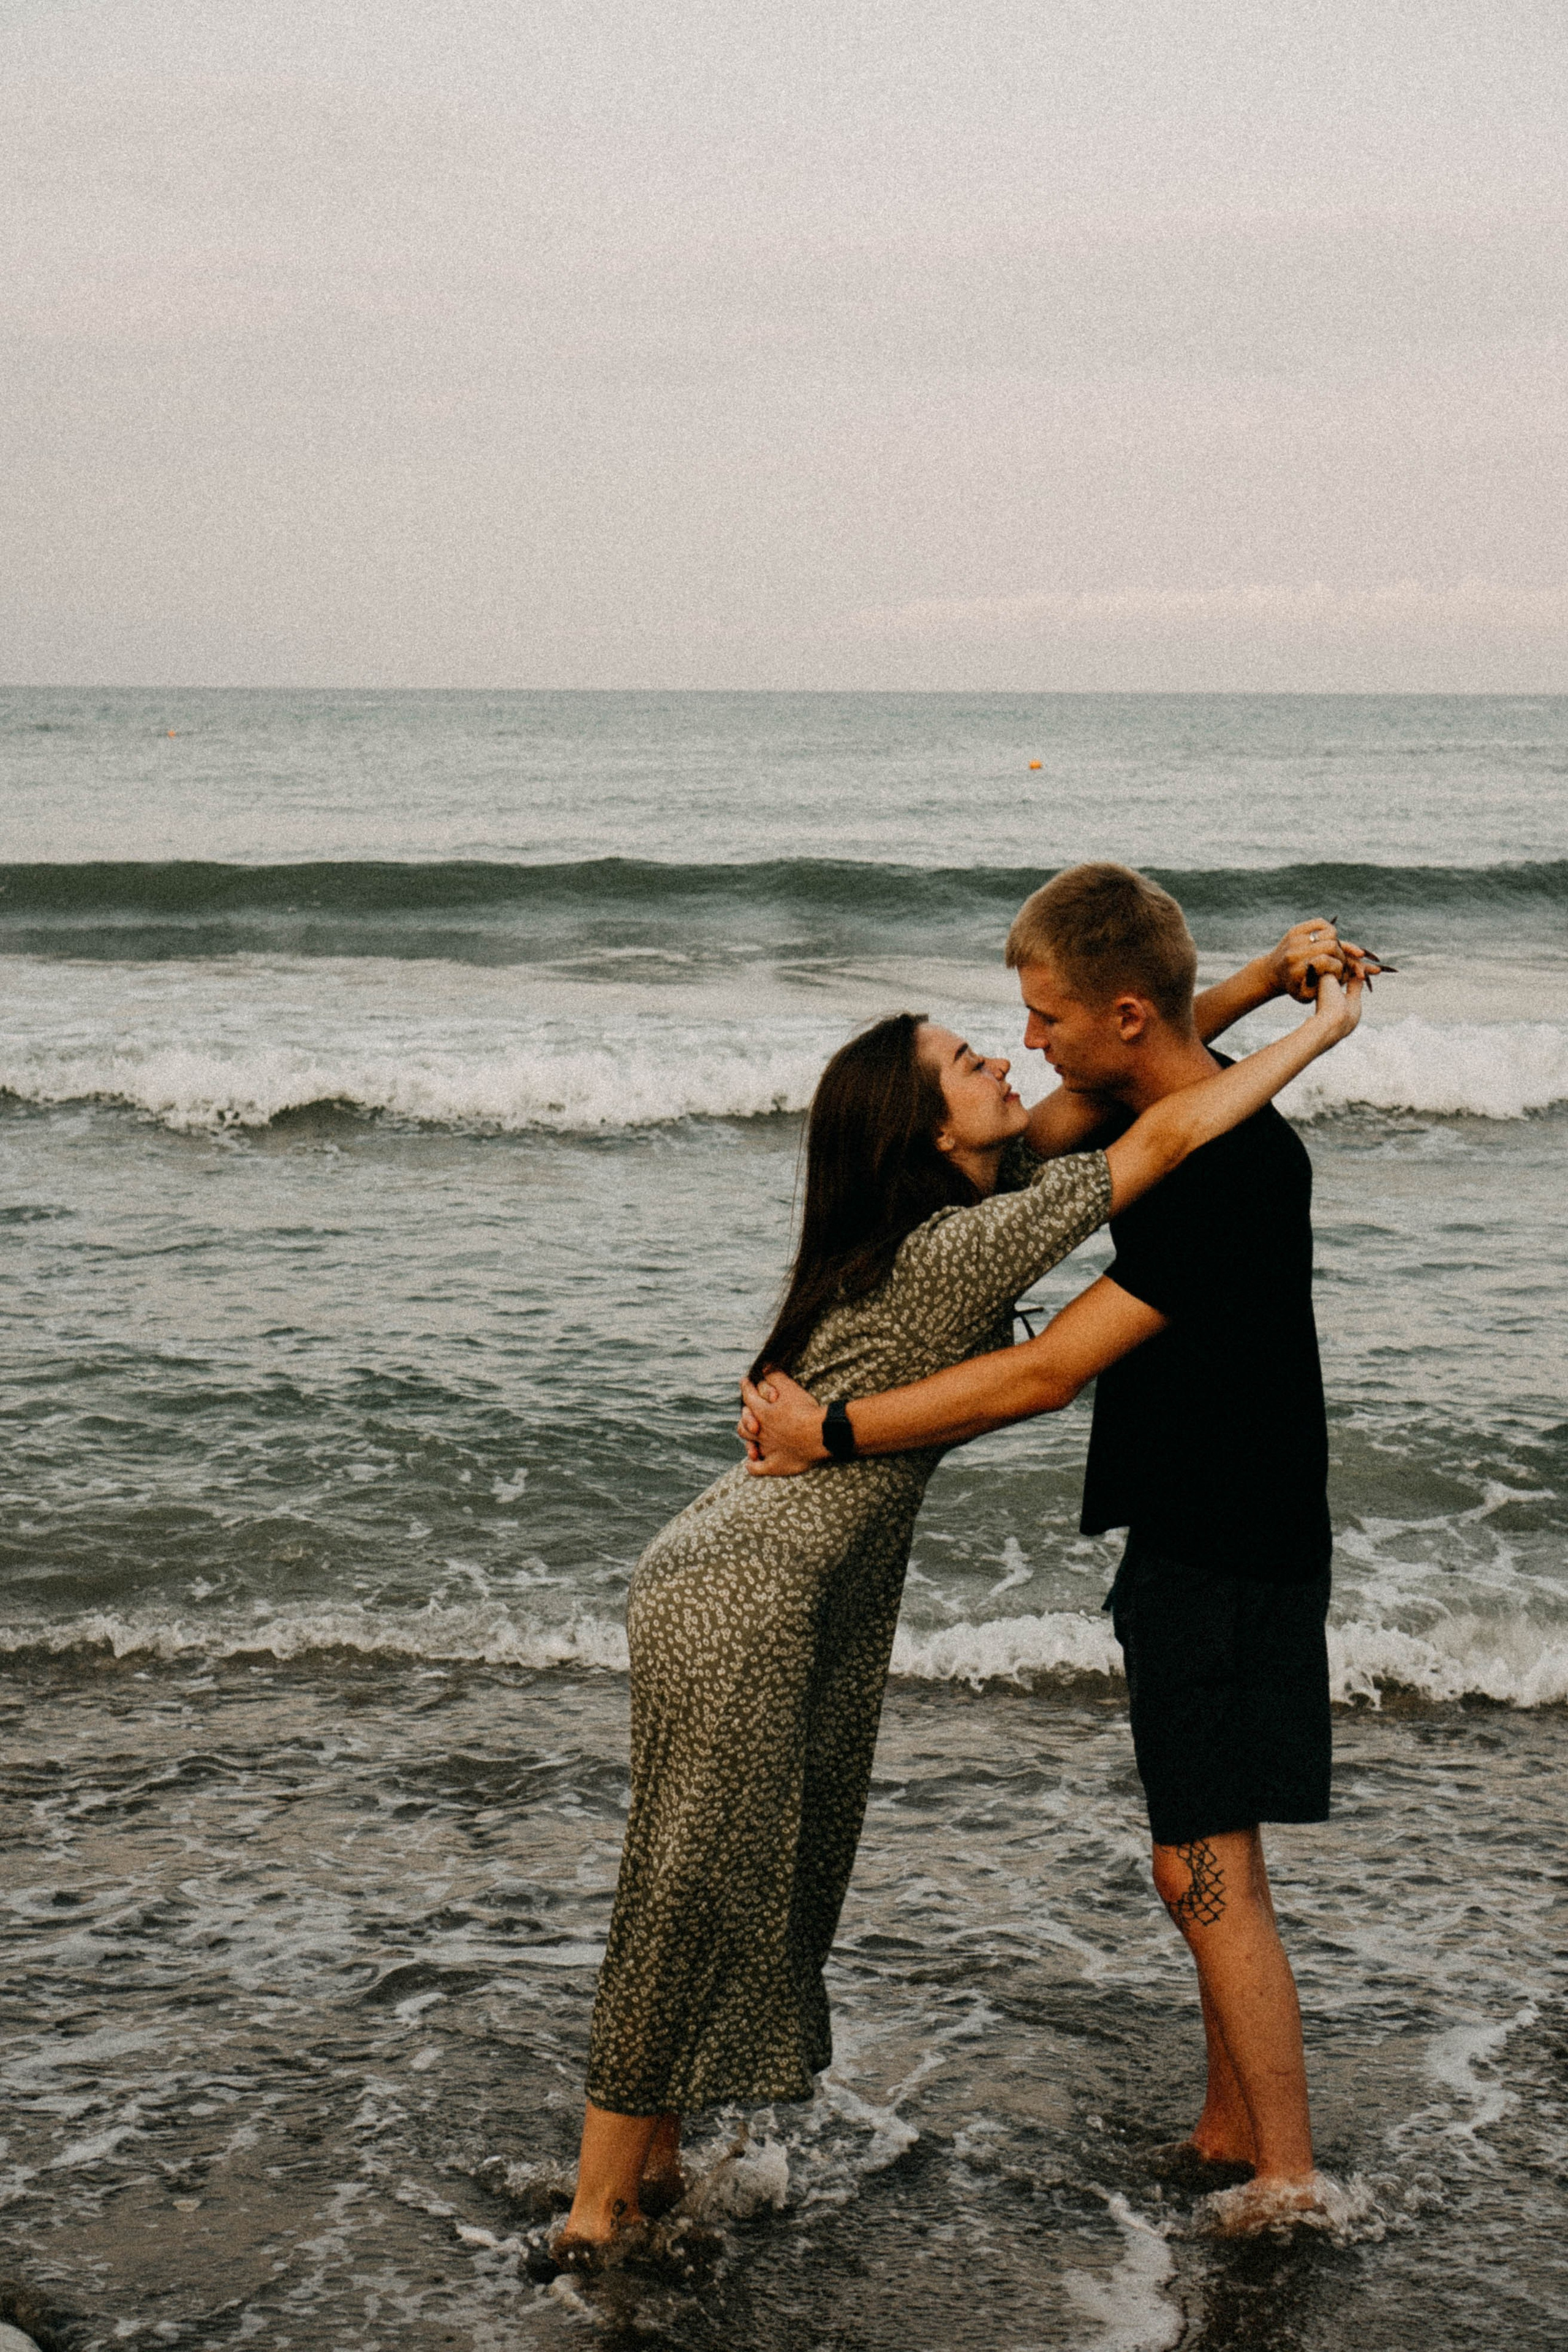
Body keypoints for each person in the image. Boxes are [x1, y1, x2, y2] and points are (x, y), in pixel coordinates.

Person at [536, 913, 1363, 2275]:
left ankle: (655, 2163)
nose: (1018, 1057)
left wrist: (1264, 985)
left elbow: (1123, 1067)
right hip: (745, 1587)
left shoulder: (960, 1208)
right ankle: (594, 2209)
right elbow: (1139, 1117)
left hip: (784, 1580)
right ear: (926, 1133)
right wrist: (1314, 1028)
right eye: (981, 1055)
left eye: (1020, 1026)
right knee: (690, 1886)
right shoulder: (959, 1246)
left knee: (750, 1879)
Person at [739, 868, 1384, 2235]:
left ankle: (1286, 2175)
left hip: (1225, 1540)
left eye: (1042, 1018)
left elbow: (1042, 1374)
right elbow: (1125, 1070)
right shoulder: (1159, 1096)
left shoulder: (1222, 1167)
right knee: (1200, 1856)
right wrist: (1269, 982)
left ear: (1122, 1013)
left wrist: (831, 1432)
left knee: (1206, 1867)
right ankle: (1228, 2127)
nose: (1027, 1043)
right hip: (1203, 1524)